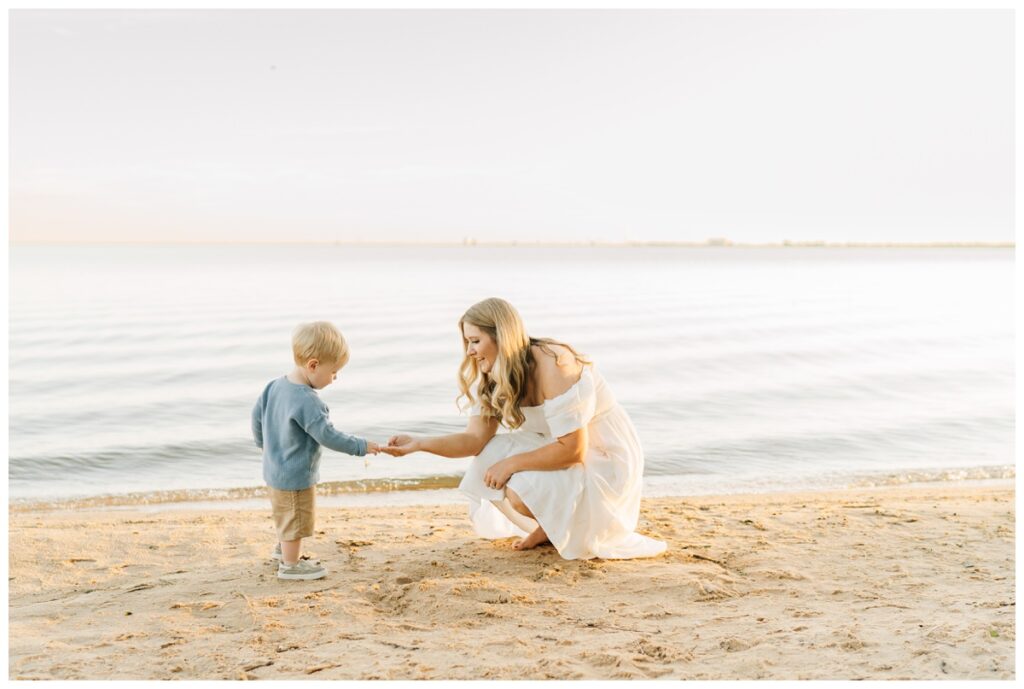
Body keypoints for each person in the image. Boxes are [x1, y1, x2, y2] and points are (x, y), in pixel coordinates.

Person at [382, 298, 666, 560]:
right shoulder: (494, 374)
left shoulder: (555, 363)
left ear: (501, 336)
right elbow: (473, 440)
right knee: (490, 453)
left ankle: (556, 527)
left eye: (475, 341)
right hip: (558, 445)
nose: (469, 352)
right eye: (467, 343)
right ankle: (550, 527)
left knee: (516, 484)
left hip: (604, 455)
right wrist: (419, 443)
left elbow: (575, 450)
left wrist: (511, 464)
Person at [252, 321, 381, 580]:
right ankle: (290, 565)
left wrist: (264, 446)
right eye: (334, 372)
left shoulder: (274, 386)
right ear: (313, 365)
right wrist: (360, 446)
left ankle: (283, 550)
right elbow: (327, 435)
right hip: (295, 474)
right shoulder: (308, 401)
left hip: (274, 468)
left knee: (285, 513)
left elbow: (257, 418)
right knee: (297, 516)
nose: (335, 378)